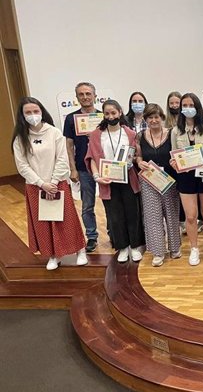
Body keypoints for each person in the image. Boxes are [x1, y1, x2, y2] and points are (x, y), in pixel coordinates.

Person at [12, 97, 87, 270]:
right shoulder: (20, 138)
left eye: (35, 111)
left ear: (42, 112)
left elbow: (62, 158)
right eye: (28, 112)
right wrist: (41, 183)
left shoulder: (53, 132)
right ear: (22, 116)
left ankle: (80, 250)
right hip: (35, 186)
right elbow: (22, 165)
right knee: (44, 222)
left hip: (57, 183)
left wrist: (52, 182)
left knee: (66, 220)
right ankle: (53, 255)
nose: (33, 115)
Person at [85, 100, 145, 263]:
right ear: (103, 115)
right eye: (107, 113)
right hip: (107, 181)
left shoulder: (130, 133)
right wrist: (97, 176)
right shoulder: (96, 135)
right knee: (115, 216)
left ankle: (135, 246)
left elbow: (136, 155)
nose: (111, 116)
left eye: (114, 113)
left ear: (120, 113)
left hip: (128, 179)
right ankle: (123, 247)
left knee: (132, 213)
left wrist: (135, 161)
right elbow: (91, 158)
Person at [170, 92, 203, 266]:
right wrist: (175, 163)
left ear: (198, 108)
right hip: (186, 179)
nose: (187, 109)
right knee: (191, 217)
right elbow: (173, 155)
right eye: (185, 106)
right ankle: (194, 248)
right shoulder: (176, 132)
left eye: (191, 105)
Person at [135, 103, 180, 267]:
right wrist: (139, 163)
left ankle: (175, 247)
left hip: (169, 179)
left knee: (171, 213)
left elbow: (177, 153)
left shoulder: (172, 134)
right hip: (149, 180)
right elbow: (138, 156)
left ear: (162, 117)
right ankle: (158, 252)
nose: (153, 120)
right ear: (146, 119)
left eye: (156, 117)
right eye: (150, 117)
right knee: (152, 216)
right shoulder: (140, 136)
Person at [63, 82, 100, 252]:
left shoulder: (103, 117)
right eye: (81, 94)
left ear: (95, 95)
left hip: (103, 167)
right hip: (83, 168)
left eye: (88, 93)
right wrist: (72, 169)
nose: (85, 97)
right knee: (87, 205)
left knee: (111, 204)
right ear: (77, 98)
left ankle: (113, 233)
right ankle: (91, 236)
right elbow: (69, 146)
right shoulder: (71, 119)